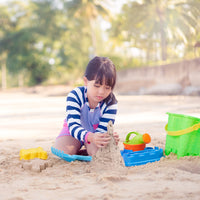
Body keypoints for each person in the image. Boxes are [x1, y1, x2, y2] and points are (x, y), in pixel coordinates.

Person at [54, 56, 119, 156]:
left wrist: (107, 138)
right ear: (86, 81)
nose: (101, 92)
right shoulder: (75, 95)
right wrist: (90, 137)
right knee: (63, 152)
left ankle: (87, 149)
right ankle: (79, 147)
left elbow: (102, 130)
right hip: (74, 132)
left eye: (107, 87)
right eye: (96, 86)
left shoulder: (111, 102)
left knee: (97, 153)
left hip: (96, 134)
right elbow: (73, 126)